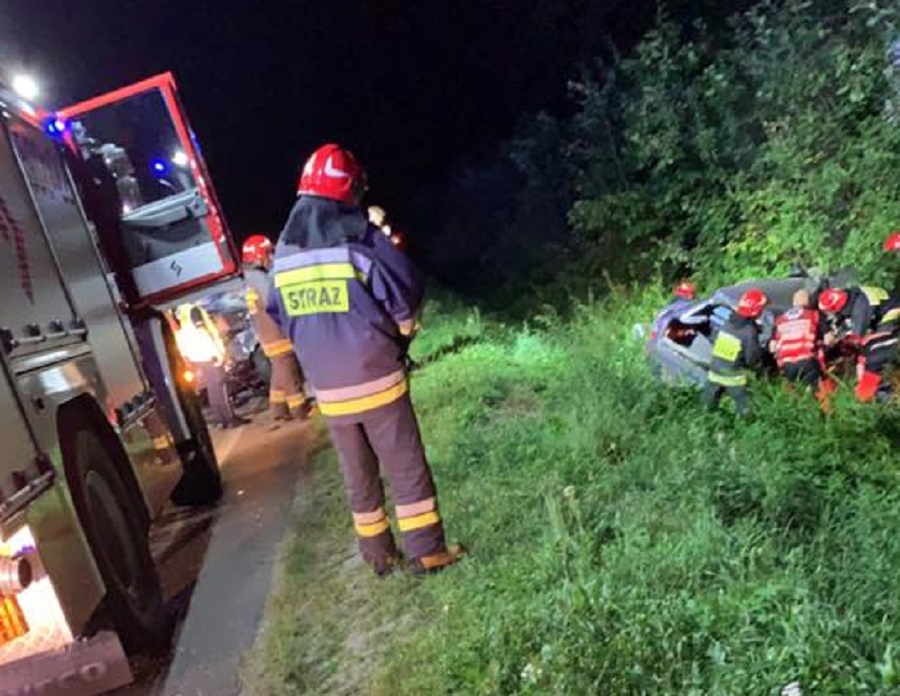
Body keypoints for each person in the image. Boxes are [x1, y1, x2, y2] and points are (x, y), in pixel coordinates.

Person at [266, 143, 463, 576]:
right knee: (405, 464)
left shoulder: (284, 252)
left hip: (329, 390)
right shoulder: (359, 239)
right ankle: (427, 549)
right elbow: (404, 286)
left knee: (357, 474)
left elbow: (275, 310)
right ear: (349, 191)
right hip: (376, 376)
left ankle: (378, 555)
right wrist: (403, 329)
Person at [242, 234, 313, 421]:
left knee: (279, 368)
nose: (271, 258)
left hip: (265, 332)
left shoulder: (248, 278)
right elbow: (272, 301)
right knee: (288, 367)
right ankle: (300, 409)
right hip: (275, 331)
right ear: (258, 256)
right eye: (268, 254)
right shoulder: (259, 277)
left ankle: (278, 409)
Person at [818, 286, 900, 402]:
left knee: (875, 347)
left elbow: (857, 341)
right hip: (885, 305)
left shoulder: (860, 310)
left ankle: (880, 389)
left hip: (893, 310)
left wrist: (843, 350)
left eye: (831, 312)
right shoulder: (850, 293)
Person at [174, 303, 248, 429]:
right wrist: (219, 354)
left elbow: (181, 337)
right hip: (209, 356)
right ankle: (229, 418)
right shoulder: (194, 310)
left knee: (213, 388)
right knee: (219, 388)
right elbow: (204, 334)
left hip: (198, 357)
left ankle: (221, 419)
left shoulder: (181, 314)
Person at [703, 289, 768, 417]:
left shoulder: (727, 323)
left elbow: (715, 339)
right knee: (746, 411)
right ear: (756, 311)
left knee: (708, 408)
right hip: (733, 377)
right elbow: (751, 360)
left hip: (714, 372)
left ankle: (708, 423)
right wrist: (761, 366)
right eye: (761, 309)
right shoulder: (749, 331)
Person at [771, 289, 835, 410]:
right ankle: (829, 418)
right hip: (808, 361)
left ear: (793, 302)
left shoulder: (779, 319)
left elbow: (772, 347)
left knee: (794, 395)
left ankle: (796, 417)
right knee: (823, 392)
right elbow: (829, 339)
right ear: (809, 302)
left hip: (787, 365)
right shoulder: (814, 314)